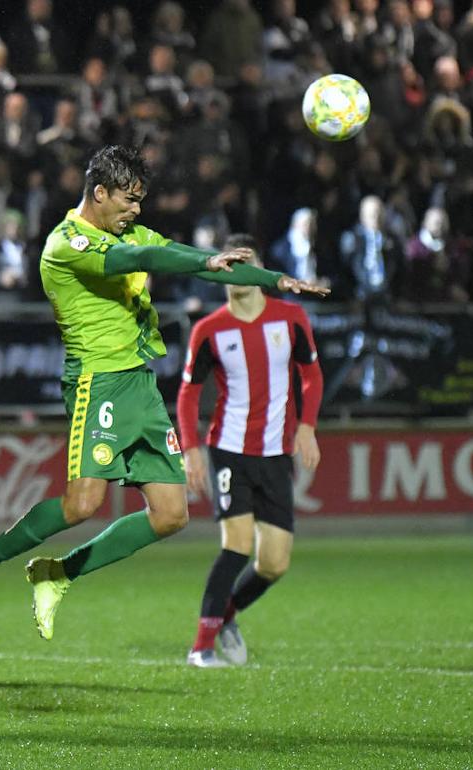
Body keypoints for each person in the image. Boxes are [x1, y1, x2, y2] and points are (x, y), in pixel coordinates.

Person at [0, 145, 327, 641]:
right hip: (97, 381)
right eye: (128, 200)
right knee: (82, 504)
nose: (136, 210)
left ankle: (58, 574)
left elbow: (173, 256)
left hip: (139, 385)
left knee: (171, 514)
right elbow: (143, 256)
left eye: (140, 201)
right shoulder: (66, 244)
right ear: (99, 193)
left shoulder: (124, 230)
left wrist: (275, 279)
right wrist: (203, 258)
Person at [176, 234, 324, 668]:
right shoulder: (210, 330)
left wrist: (308, 427)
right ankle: (200, 648)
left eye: (248, 263)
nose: (238, 271)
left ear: (261, 272)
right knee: (237, 545)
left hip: (276, 454)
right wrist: (190, 448)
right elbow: (188, 394)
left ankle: (226, 616)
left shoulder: (291, 318)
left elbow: (311, 375)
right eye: (231, 263)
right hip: (229, 450)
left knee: (274, 563)